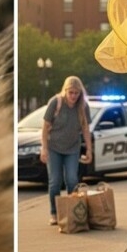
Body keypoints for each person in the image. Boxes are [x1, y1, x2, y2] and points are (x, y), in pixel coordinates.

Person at [41, 76, 94, 225]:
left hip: (72, 148)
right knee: (55, 181)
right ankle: (54, 212)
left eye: (76, 93)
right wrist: (44, 148)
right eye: (71, 92)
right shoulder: (55, 102)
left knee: (72, 180)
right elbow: (45, 127)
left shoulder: (83, 107)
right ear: (65, 91)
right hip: (54, 148)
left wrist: (89, 149)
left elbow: (85, 129)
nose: (73, 96)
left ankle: (72, 211)